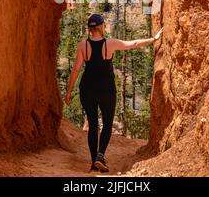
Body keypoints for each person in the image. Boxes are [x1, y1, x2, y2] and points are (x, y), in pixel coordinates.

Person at [65, 14, 163, 173]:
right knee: (107, 123)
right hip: (106, 89)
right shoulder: (109, 44)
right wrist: (154, 39)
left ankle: (93, 163)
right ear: (102, 26)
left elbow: (76, 70)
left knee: (93, 125)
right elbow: (133, 43)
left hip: (87, 88)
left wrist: (68, 91)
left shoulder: (83, 45)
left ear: (90, 29)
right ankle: (100, 155)